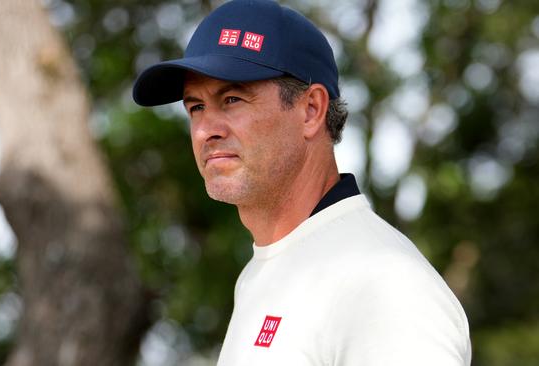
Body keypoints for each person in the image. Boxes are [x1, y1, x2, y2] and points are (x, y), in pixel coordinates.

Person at [132, 0, 472, 365]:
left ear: (311, 110)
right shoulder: (260, 274)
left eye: (232, 99)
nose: (206, 131)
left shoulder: (384, 283)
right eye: (196, 106)